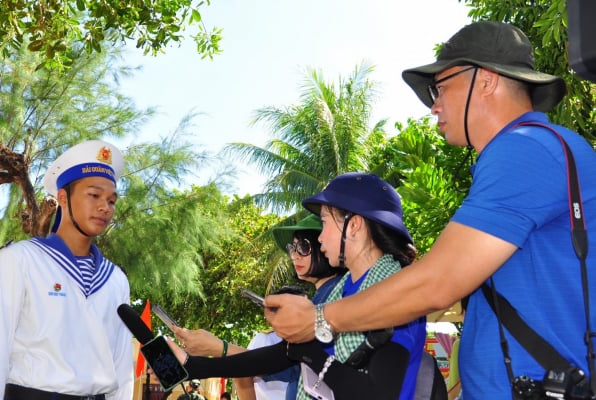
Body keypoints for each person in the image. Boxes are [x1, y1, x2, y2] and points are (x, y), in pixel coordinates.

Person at [264, 21, 596, 400]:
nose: (434, 105)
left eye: (440, 87)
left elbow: (438, 281)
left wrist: (320, 319)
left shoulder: (525, 149)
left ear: (485, 80)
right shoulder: (530, 151)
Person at [169, 173, 432, 399]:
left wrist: (312, 355)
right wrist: (196, 367)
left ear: (354, 226)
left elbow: (379, 395)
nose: (320, 236)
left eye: (326, 223)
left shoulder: (396, 294)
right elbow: (282, 354)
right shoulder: (345, 292)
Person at [0, 140, 135, 400]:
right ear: (63, 197)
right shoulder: (21, 260)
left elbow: (122, 367)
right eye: (94, 195)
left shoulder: (116, 280)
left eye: (111, 200)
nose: (105, 207)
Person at [172, 214, 344, 400]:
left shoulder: (333, 298)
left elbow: (286, 363)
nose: (294, 255)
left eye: (303, 246)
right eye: (291, 248)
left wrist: (217, 350)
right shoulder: (325, 296)